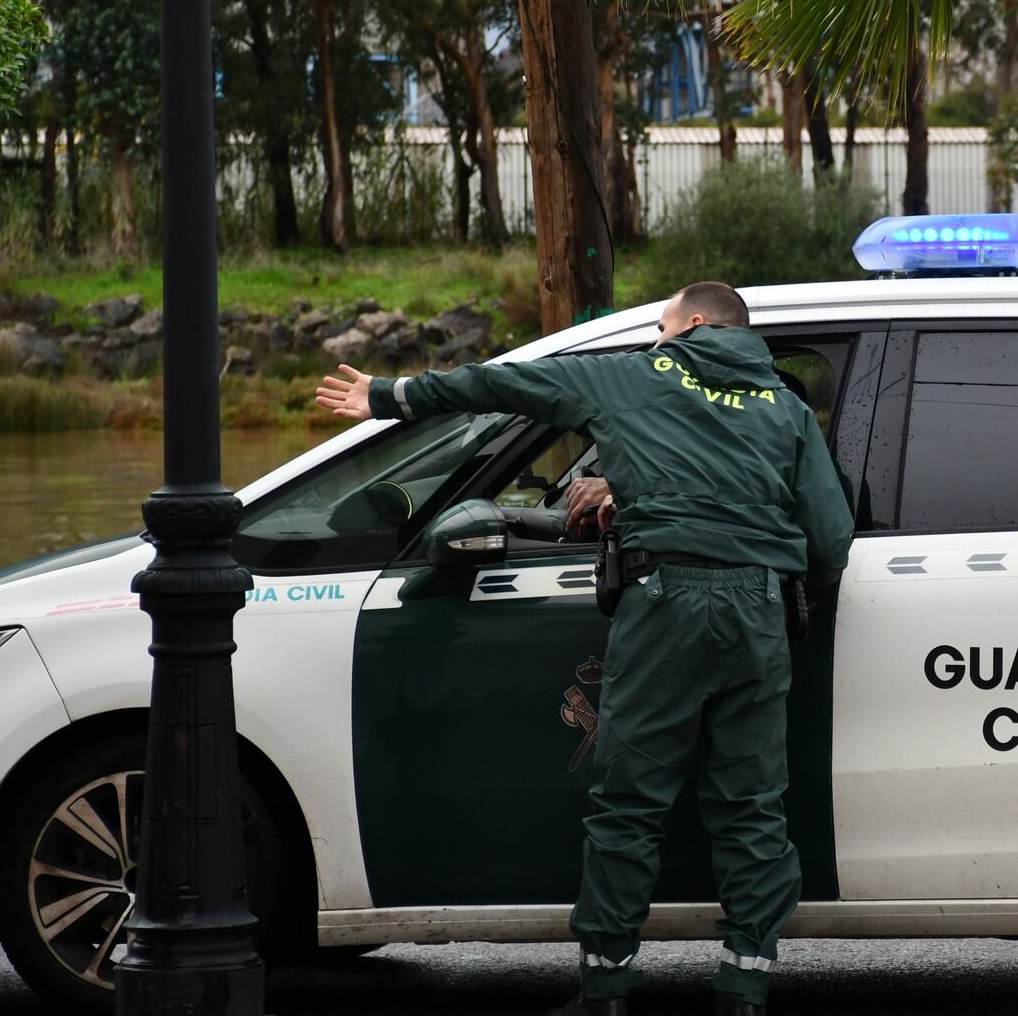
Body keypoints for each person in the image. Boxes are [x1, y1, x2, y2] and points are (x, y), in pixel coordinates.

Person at [316, 282, 854, 1016]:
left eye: (663, 326)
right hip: (758, 610)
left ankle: (606, 990)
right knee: (752, 805)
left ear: (691, 324)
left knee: (630, 805)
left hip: (664, 604)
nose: (658, 337)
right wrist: (785, 592)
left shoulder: (631, 375)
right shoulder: (784, 407)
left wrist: (391, 394)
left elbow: (503, 383)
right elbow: (829, 540)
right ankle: (744, 989)